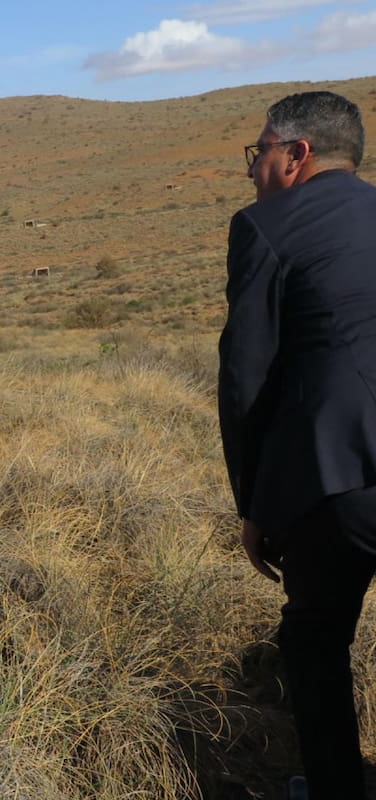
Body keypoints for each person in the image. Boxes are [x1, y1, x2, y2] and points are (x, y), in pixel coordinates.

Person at [219, 90, 376, 799]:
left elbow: (247, 377)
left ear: (297, 154)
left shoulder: (266, 225)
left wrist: (254, 503)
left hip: (337, 476)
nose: (254, 169)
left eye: (260, 153)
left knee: (314, 640)